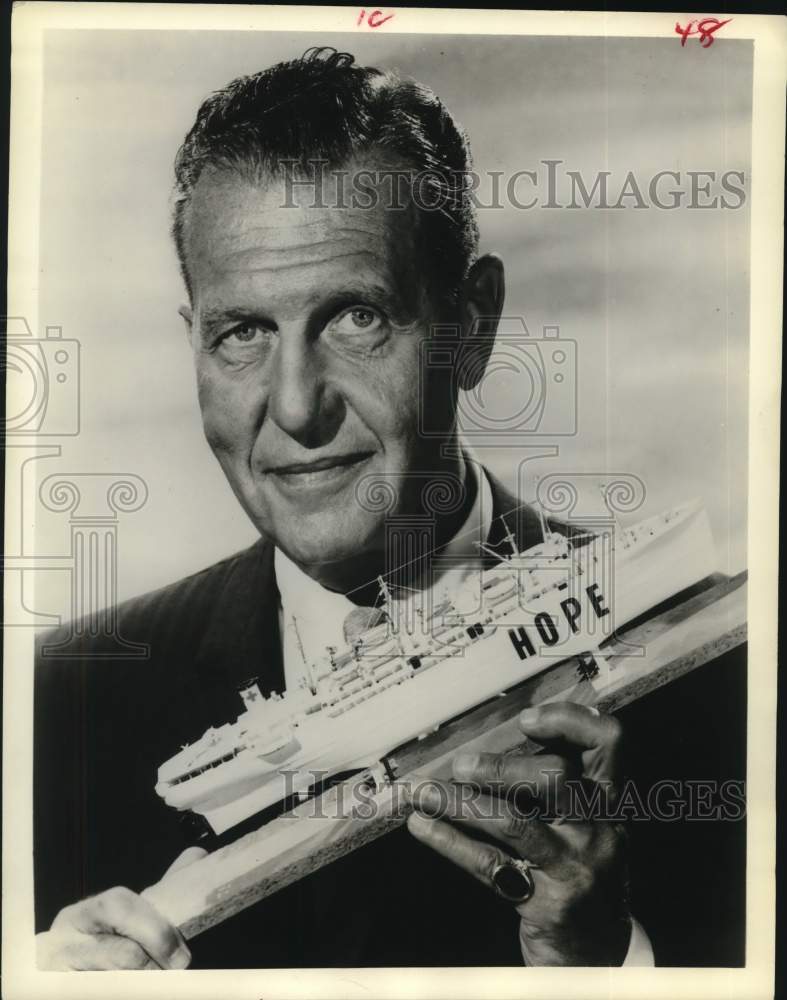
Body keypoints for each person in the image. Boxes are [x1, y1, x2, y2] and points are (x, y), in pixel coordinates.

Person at [34, 47, 743, 971]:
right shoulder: (60, 709)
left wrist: (600, 962)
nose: (295, 407)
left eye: (356, 318)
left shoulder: (728, 689)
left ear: (473, 324)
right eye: (243, 333)